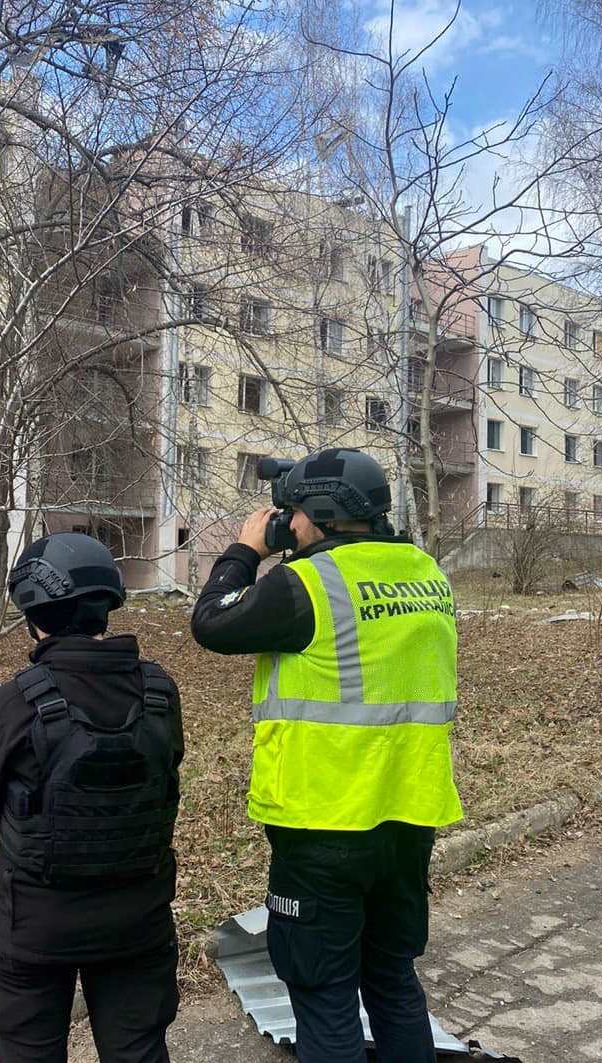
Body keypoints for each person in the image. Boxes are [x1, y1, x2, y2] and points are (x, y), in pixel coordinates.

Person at [191, 448, 463, 1063]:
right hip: (410, 813)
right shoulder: (426, 573)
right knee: (393, 979)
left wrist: (245, 552)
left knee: (324, 990)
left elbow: (211, 622)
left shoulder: (308, 584)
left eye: (289, 511)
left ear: (315, 512)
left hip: (324, 822)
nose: (284, 522)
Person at [0, 531, 183, 1063]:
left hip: (34, 927)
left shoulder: (15, 700)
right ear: (107, 604)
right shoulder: (160, 690)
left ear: (32, 606)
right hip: (138, 920)